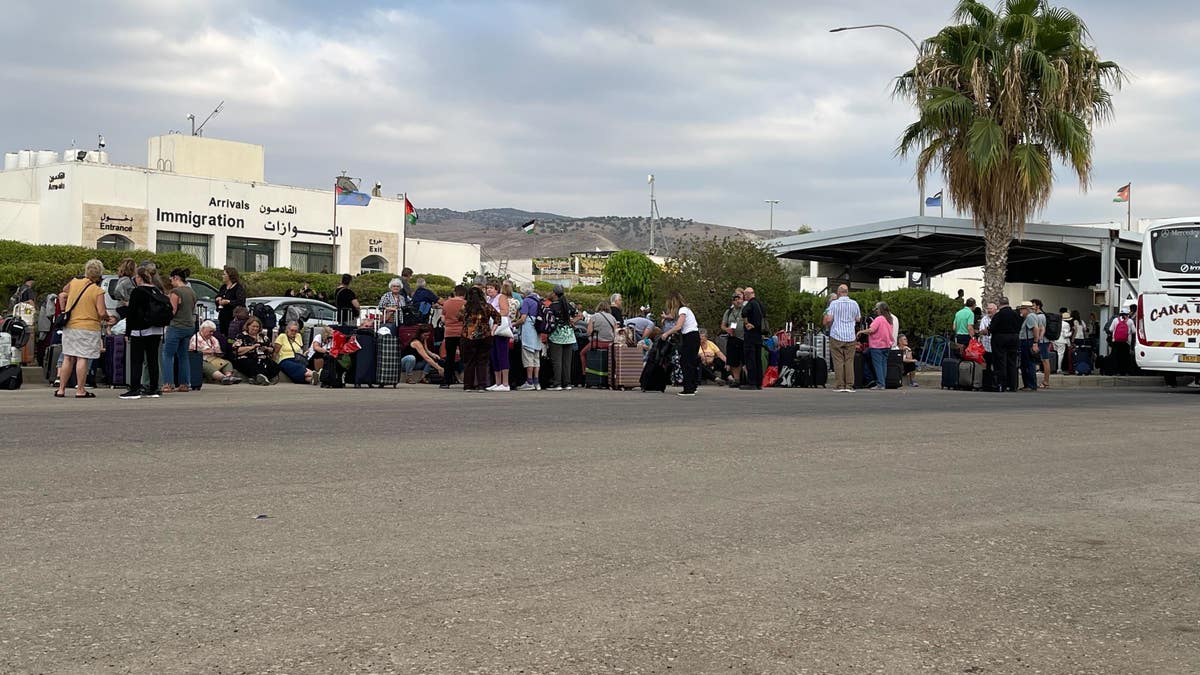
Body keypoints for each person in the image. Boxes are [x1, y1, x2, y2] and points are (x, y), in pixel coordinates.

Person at [55, 259, 111, 399]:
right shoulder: (98, 291)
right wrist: (107, 317)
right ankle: (80, 389)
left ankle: (61, 389)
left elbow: (64, 292)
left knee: (68, 356)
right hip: (88, 327)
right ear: (99, 275)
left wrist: (66, 306)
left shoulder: (74, 282)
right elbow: (101, 312)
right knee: (82, 358)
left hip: (70, 326)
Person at [119, 264, 167, 400]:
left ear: (139, 278)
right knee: (152, 360)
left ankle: (135, 389)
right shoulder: (157, 291)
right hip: (156, 330)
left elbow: (131, 313)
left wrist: (127, 332)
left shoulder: (138, 292)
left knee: (137, 360)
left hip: (139, 330)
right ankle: (153, 389)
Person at [160, 267, 197, 393]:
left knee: (167, 355)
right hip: (189, 326)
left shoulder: (175, 292)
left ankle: (167, 383)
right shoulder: (191, 291)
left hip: (176, 326)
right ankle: (185, 384)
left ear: (176, 278)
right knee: (183, 355)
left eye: (171, 279)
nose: (171, 282)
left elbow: (173, 311)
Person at [458, 285, 501, 392]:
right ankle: (482, 385)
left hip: (468, 336)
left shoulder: (465, 307)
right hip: (485, 336)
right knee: (482, 361)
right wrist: (492, 330)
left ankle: (468, 385)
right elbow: (498, 317)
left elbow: (459, 318)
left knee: (469, 361)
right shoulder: (487, 306)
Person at [660, 291, 700, 397]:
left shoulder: (683, 310)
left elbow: (678, 326)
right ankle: (693, 385)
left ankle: (688, 389)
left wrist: (666, 333)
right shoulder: (686, 310)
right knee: (691, 361)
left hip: (690, 337)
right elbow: (673, 317)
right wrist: (667, 317)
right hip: (693, 336)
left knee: (686, 362)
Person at [823, 284, 861, 393]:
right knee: (849, 360)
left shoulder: (834, 304)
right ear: (847, 292)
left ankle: (840, 385)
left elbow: (829, 319)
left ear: (839, 292)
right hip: (850, 335)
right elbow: (858, 319)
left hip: (837, 334)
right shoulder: (854, 303)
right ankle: (849, 385)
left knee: (838, 361)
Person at [545, 285, 578, 391]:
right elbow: (579, 315)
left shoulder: (552, 306)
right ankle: (567, 383)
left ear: (554, 293)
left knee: (557, 361)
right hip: (569, 335)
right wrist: (572, 321)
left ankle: (557, 383)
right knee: (567, 361)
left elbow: (550, 321)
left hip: (557, 336)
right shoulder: (567, 305)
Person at [858, 301, 895, 391]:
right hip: (887, 345)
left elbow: (871, 330)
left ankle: (880, 384)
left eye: (876, 308)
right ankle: (883, 383)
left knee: (877, 365)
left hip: (877, 346)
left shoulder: (879, 319)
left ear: (880, 309)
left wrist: (861, 331)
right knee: (883, 365)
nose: (875, 310)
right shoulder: (889, 319)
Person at [189, 320, 241, 384]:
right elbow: (192, 352)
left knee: (227, 363)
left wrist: (219, 353)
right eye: (210, 331)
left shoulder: (213, 339)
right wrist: (205, 352)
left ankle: (228, 376)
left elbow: (218, 350)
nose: (211, 333)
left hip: (214, 359)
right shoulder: (195, 338)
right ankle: (223, 378)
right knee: (207, 366)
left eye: (213, 332)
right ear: (203, 329)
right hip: (202, 359)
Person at [232, 317, 280, 385]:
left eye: (257, 327)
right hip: (246, 358)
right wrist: (252, 347)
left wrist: (266, 348)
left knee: (275, 366)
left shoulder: (263, 337)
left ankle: (258, 378)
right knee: (251, 364)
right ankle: (260, 377)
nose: (255, 328)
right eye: (253, 326)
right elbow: (236, 350)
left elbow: (272, 349)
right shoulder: (241, 336)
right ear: (248, 326)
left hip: (262, 358)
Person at [989, 297, 1022, 392]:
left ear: (999, 304)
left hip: (1000, 338)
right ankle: (1013, 385)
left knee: (1001, 361)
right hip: (1014, 338)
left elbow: (992, 328)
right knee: (1012, 361)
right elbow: (1019, 326)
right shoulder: (1016, 315)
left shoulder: (998, 315)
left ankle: (1002, 384)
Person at [484, 282, 512, 392]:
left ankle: (505, 383)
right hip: (491, 329)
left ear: (497, 289)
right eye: (487, 288)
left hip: (500, 329)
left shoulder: (501, 297)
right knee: (494, 356)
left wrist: (493, 314)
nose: (489, 290)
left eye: (491, 288)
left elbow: (505, 311)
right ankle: (497, 382)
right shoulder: (488, 299)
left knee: (502, 355)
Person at [515, 283, 543, 391]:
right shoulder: (538, 300)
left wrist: (513, 324)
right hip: (537, 332)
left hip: (529, 332)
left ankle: (529, 381)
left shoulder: (527, 301)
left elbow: (522, 318)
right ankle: (537, 382)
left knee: (528, 358)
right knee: (536, 358)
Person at [580, 299, 618, 377]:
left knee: (582, 353)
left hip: (597, 343)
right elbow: (616, 332)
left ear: (598, 307)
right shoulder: (612, 318)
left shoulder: (594, 317)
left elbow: (589, 332)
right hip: (610, 344)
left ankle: (585, 373)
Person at [440, 285, 467, 389]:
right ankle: (466, 380)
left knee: (449, 357)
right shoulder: (465, 304)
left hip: (449, 332)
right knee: (464, 357)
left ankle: (446, 381)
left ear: (454, 292)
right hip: (462, 332)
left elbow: (443, 318)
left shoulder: (446, 303)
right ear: (464, 294)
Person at [740, 286, 766, 390]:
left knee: (750, 359)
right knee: (758, 359)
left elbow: (744, 312)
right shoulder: (760, 304)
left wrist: (747, 323)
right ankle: (759, 382)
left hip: (750, 336)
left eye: (745, 295)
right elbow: (764, 314)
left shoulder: (750, 304)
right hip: (759, 336)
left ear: (748, 294)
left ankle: (752, 382)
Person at [721, 289, 745, 387]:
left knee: (744, 359)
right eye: (735, 300)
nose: (738, 301)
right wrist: (727, 329)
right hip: (733, 338)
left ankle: (747, 379)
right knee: (734, 361)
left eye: (739, 299)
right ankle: (736, 379)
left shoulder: (745, 309)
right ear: (733, 301)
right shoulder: (729, 311)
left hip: (744, 338)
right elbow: (722, 325)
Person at [214, 266, 246, 336]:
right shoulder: (223, 287)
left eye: (224, 274)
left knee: (231, 336)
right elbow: (218, 295)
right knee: (223, 335)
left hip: (233, 318)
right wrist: (218, 299)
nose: (222, 276)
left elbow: (241, 301)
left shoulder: (238, 288)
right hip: (223, 316)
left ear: (230, 276)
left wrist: (228, 302)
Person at [1018, 301, 1041, 391]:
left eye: (1022, 309)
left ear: (1026, 309)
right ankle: (1028, 384)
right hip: (1027, 341)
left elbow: (1035, 329)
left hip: (1028, 342)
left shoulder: (1030, 317)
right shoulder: (1031, 316)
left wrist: (1035, 342)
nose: (1021, 312)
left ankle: (1030, 385)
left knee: (1028, 364)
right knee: (1026, 364)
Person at [1107, 309, 1135, 376]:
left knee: (1115, 357)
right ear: (1127, 314)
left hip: (1116, 342)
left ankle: (1115, 371)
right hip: (1126, 342)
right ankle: (1124, 372)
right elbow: (1134, 331)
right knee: (1125, 358)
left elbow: (1110, 329)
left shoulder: (1115, 320)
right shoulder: (1130, 321)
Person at [1031, 299, 1052, 388]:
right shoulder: (1041, 315)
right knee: (1044, 360)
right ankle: (1045, 381)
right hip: (1043, 340)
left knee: (1045, 361)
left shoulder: (1040, 316)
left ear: (1038, 306)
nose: (1032, 307)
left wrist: (1037, 340)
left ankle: (1046, 381)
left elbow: (1040, 328)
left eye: (1033, 305)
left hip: (1042, 341)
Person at [979, 301, 997, 371]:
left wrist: (988, 330)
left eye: (990, 309)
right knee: (987, 365)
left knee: (996, 365)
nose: (989, 310)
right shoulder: (984, 319)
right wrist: (987, 330)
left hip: (996, 346)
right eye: (988, 309)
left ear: (995, 310)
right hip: (986, 346)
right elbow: (981, 331)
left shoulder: (998, 318)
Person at [1054, 308, 1073, 372]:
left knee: (1056, 354)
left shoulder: (1057, 322)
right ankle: (1059, 368)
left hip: (1055, 340)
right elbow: (1066, 335)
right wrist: (1071, 332)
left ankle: (1055, 367)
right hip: (1062, 341)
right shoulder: (1066, 324)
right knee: (1060, 355)